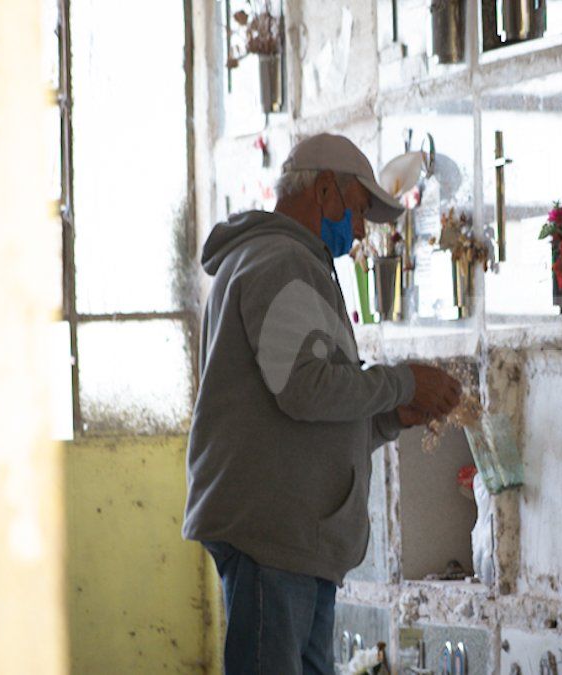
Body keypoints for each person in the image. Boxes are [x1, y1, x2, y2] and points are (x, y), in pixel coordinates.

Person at [182, 133, 461, 674]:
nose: (359, 231)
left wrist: (385, 419)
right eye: (357, 211)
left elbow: (303, 404)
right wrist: (402, 383)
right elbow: (306, 390)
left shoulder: (289, 260)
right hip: (272, 533)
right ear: (326, 190)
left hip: (292, 535)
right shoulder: (280, 260)